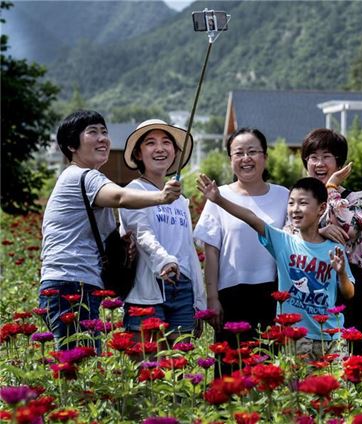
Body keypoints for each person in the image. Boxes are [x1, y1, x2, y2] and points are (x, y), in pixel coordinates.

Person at [39, 111, 182, 350]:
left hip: (73, 282)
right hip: (71, 284)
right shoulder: (83, 176)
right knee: (77, 363)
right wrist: (161, 197)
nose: (103, 138)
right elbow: (120, 196)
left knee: (79, 360)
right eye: (92, 132)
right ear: (71, 144)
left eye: (104, 132)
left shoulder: (79, 177)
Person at [197, 174, 354, 360]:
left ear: (321, 208)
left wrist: (342, 273)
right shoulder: (283, 242)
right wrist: (219, 200)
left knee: (332, 386)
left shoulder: (333, 249)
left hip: (330, 336)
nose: (295, 209)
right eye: (291, 203)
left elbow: (349, 292)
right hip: (294, 336)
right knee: (297, 388)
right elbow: (251, 218)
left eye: (303, 203)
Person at [193, 128, 289, 347]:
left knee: (268, 369)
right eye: (239, 153)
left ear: (265, 157)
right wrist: (212, 298)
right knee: (230, 371)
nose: (246, 158)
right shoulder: (218, 196)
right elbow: (211, 253)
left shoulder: (283, 195)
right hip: (231, 295)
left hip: (273, 294)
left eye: (253, 151)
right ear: (230, 159)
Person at [119, 119, 207, 346]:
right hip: (147, 289)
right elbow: (142, 234)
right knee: (147, 367)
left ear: (175, 152)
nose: (160, 148)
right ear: (138, 154)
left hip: (182, 288)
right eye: (150, 143)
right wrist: (164, 261)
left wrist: (199, 301)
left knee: (178, 367)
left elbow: (188, 251)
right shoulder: (133, 191)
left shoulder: (180, 201)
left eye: (166, 142)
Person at [299, 128, 362, 355]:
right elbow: (291, 235)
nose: (319, 163)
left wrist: (331, 187)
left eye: (326, 157)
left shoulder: (356, 197)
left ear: (338, 162)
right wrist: (321, 229)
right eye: (313, 157)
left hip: (349, 282)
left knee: (352, 356)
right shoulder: (299, 199)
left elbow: (347, 230)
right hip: (313, 281)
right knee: (313, 356)